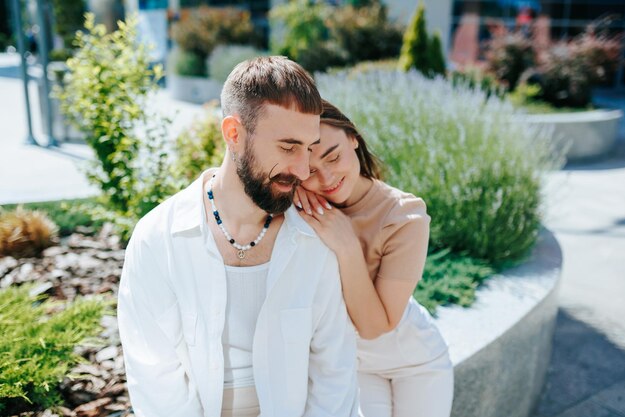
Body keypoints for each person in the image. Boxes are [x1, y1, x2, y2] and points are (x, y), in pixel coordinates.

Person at [117, 57, 359, 417]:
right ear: (233, 133)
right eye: (288, 147)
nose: (303, 169)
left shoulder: (315, 237)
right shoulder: (158, 239)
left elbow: (334, 372)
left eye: (308, 148)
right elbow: (155, 378)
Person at [294, 100, 454, 417]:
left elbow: (375, 325)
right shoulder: (303, 206)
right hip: (351, 361)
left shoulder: (405, 217)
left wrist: (348, 246)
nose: (326, 178)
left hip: (415, 361)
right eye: (310, 171)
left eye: (334, 156)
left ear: (353, 138)